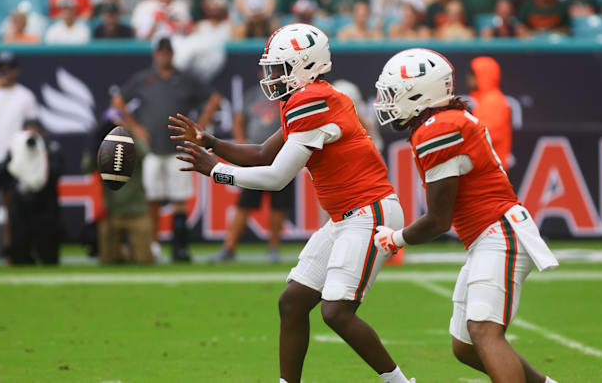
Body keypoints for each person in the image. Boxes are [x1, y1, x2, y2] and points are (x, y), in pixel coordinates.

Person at [169, 24, 414, 383]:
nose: (272, 76)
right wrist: (211, 141)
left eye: (280, 68)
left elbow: (276, 176)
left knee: (337, 312)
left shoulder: (313, 100)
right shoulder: (311, 98)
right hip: (347, 216)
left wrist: (217, 171)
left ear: (306, 65)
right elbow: (261, 152)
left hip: (369, 212)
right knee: (293, 302)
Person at [372, 48, 559, 383]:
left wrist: (395, 239)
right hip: (487, 235)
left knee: (483, 330)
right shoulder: (443, 121)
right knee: (465, 345)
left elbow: (438, 220)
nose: (389, 103)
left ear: (420, 93)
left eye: (394, 94)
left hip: (499, 232)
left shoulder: (439, 129)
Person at [111, 37, 221, 262]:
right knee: (153, 198)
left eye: (167, 52)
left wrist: (198, 126)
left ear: (172, 54)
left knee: (179, 198)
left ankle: (179, 246)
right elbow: (118, 102)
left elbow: (214, 99)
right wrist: (135, 127)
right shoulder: (145, 79)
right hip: (152, 148)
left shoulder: (184, 79)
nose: (164, 56)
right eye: (160, 52)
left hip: (179, 147)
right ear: (155, 55)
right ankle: (153, 244)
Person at [210, 78, 292, 264]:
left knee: (279, 205)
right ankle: (229, 247)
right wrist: (241, 145)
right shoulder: (252, 94)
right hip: (256, 157)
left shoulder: (289, 94)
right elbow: (238, 120)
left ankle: (273, 247)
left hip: (284, 156)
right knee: (244, 203)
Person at [82, 110, 153, 265]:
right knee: (108, 260)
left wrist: (128, 134)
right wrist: (97, 142)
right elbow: (87, 167)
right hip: (112, 214)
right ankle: (124, 253)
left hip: (137, 211)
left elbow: (145, 152)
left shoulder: (134, 145)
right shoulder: (102, 150)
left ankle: (129, 252)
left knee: (145, 260)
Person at [0, 52, 37, 250]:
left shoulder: (25, 95)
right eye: (1, 68)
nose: (5, 72)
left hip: (13, 157)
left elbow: (33, 125)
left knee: (11, 207)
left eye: (9, 68)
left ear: (16, 71)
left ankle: (10, 249)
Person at [6, 119, 62, 265]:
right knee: (19, 231)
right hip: (21, 197)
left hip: (44, 197)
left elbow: (56, 170)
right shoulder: (14, 147)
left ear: (42, 133)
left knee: (47, 231)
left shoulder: (50, 147)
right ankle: (20, 257)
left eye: (35, 131)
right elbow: (6, 170)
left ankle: (48, 257)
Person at [467, 56, 512, 171]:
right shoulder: (487, 99)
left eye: (473, 74)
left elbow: (485, 135)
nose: (468, 78)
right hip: (488, 168)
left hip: (491, 169)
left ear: (483, 76)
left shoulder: (493, 100)